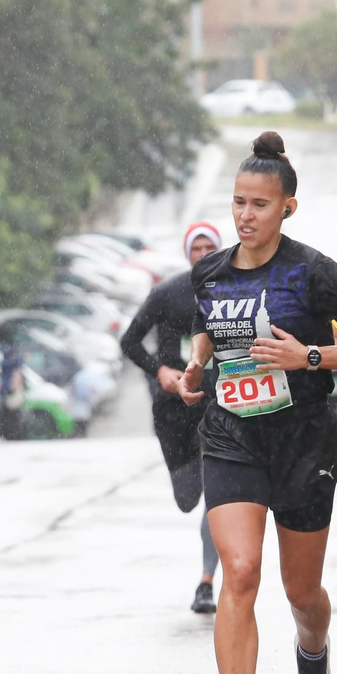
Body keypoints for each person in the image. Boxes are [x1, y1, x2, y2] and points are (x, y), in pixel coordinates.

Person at [179, 131, 337, 674]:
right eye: (239, 202)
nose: (245, 216)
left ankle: (313, 648)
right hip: (231, 438)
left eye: (259, 205)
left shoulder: (314, 271)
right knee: (239, 571)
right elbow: (208, 330)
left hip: (303, 444)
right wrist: (197, 368)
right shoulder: (209, 272)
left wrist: (307, 356)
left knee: (301, 590)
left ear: (287, 208)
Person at [120, 221, 223, 614]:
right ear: (187, 253)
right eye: (195, 248)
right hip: (173, 411)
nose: (201, 255)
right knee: (187, 498)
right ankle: (188, 475)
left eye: (208, 248)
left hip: (218, 406)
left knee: (216, 497)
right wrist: (159, 371)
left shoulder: (231, 291)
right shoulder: (166, 293)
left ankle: (206, 582)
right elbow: (129, 341)